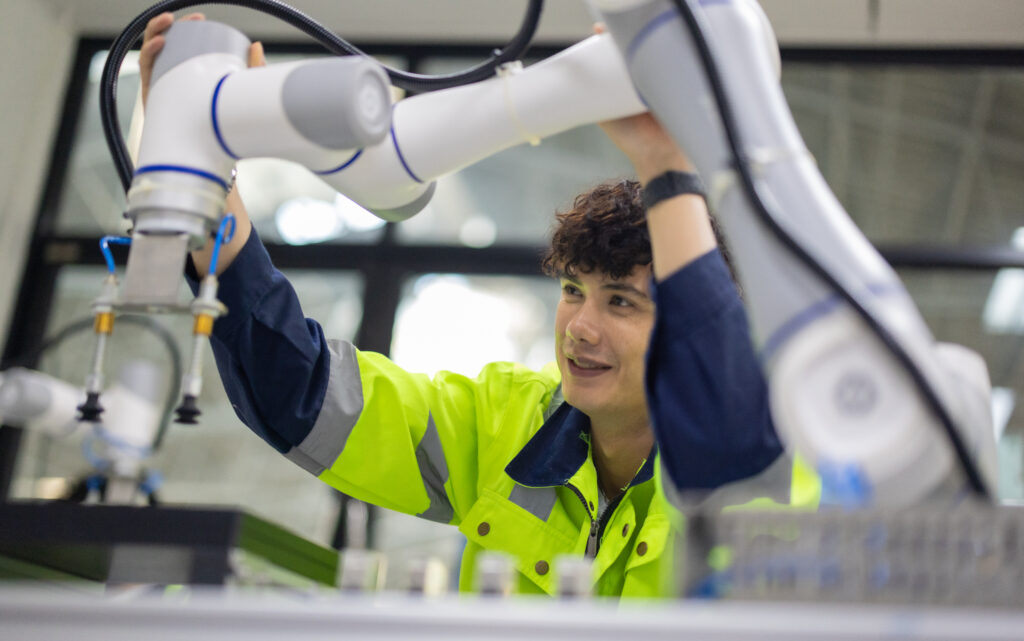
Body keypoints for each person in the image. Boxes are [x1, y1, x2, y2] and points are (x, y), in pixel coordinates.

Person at [140, 13, 794, 597]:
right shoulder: (502, 425)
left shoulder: (758, 457)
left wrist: (664, 164)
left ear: (688, 320)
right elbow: (304, 392)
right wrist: (207, 175)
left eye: (620, 302)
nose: (581, 328)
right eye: (572, 292)